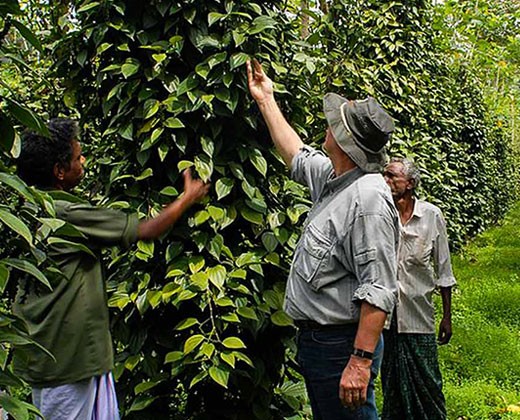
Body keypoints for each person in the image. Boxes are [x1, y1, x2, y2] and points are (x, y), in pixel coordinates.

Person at [13, 118, 209, 420]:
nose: (84, 161)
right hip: (69, 363)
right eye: (78, 157)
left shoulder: (26, 208)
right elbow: (146, 229)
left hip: (56, 355)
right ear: (59, 171)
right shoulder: (65, 213)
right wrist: (187, 198)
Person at [246, 59, 399, 419]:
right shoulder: (337, 178)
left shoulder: (368, 200)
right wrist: (265, 99)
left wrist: (359, 363)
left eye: (336, 125)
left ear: (346, 142)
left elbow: (378, 289)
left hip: (341, 346)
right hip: (321, 343)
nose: (328, 126)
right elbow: (297, 156)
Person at [381, 157, 456, 420]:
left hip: (419, 318)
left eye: (392, 176)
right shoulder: (380, 214)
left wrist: (446, 317)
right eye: (385, 175)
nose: (386, 180)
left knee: (428, 384)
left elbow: (443, 270)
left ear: (410, 183)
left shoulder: (431, 216)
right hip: (385, 320)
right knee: (391, 386)